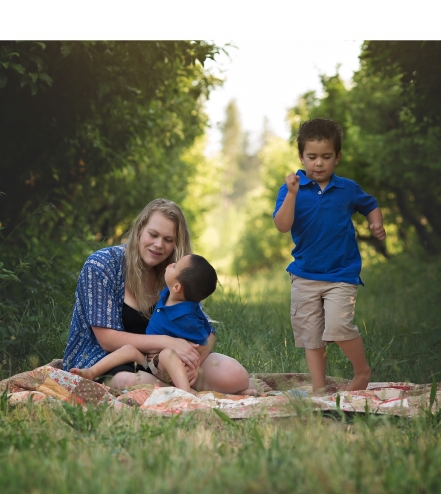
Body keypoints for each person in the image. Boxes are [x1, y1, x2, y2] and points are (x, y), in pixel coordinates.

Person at [63, 198, 265, 395]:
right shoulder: (102, 265)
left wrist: (194, 363)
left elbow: (208, 332)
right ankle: (186, 392)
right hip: (107, 357)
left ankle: (180, 386)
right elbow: (107, 339)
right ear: (140, 229)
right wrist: (168, 342)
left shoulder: (174, 274)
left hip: (163, 361)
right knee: (129, 381)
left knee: (233, 374)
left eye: (168, 240)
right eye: (153, 234)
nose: (159, 244)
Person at [273, 118, 386, 395]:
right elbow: (282, 225)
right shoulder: (291, 189)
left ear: (338, 157)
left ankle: (362, 371)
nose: (319, 163)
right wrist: (291, 194)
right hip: (304, 275)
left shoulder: (347, 188)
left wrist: (376, 223)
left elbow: (370, 204)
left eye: (326, 156)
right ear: (301, 157)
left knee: (338, 326)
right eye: (312, 157)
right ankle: (319, 389)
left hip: (341, 274)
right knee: (311, 337)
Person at [70, 253, 255, 396]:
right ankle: (92, 372)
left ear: (177, 287)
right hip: (151, 363)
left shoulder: (187, 316)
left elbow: (205, 336)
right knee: (128, 349)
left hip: (170, 364)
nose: (170, 264)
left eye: (175, 266)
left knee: (169, 354)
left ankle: (185, 393)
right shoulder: (169, 294)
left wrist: (194, 360)